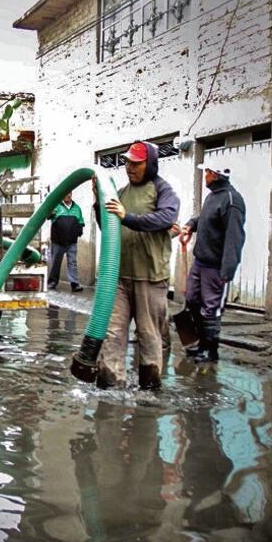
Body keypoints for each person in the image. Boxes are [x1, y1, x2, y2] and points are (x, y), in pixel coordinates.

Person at [94, 141, 180, 390]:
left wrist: (127, 217)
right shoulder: (121, 193)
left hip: (150, 277)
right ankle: (110, 384)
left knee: (149, 335)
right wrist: (97, 200)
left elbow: (166, 217)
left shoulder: (163, 191)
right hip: (119, 277)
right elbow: (108, 226)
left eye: (136, 163)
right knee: (112, 333)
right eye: (128, 162)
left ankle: (149, 388)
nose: (129, 167)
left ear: (150, 163)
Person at [179, 159, 246, 363]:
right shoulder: (212, 197)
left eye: (206, 171)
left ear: (215, 174)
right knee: (192, 300)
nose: (204, 175)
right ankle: (200, 343)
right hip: (200, 262)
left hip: (216, 267)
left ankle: (210, 350)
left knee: (211, 307)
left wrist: (227, 271)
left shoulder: (232, 201)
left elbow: (235, 237)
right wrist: (191, 224)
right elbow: (205, 219)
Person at [47, 192, 85, 292]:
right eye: (65, 193)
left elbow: (81, 221)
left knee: (72, 262)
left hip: (72, 242)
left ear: (72, 194)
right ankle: (52, 282)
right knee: (56, 262)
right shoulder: (56, 206)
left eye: (69, 193)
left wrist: (79, 231)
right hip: (58, 242)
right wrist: (50, 212)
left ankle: (74, 284)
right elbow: (47, 216)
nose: (67, 195)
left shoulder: (77, 208)